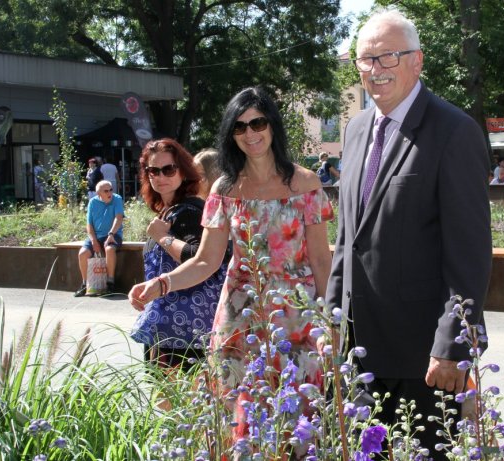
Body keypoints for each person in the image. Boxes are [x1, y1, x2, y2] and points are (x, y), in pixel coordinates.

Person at [129, 86, 334, 457]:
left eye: (257, 122)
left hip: (297, 319)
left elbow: (321, 261)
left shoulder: (306, 183)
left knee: (300, 425)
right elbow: (206, 261)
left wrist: (329, 323)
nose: (251, 133)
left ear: (272, 125)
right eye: (240, 127)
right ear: (231, 134)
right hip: (240, 321)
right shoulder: (225, 189)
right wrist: (160, 284)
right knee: (236, 421)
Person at [325, 8, 492, 458]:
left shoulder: (454, 131)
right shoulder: (357, 129)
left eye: (388, 58)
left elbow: (469, 253)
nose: (375, 70)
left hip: (426, 360)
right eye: (365, 60)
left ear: (417, 61)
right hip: (360, 352)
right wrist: (332, 323)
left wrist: (454, 343)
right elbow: (348, 240)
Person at [129, 139, 226, 370]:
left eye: (169, 169)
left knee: (174, 403)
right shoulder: (170, 211)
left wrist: (163, 238)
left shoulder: (189, 211)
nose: (160, 176)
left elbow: (199, 257)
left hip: (185, 333)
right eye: (153, 171)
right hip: (166, 327)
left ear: (183, 171)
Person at [74, 180, 124, 297]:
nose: (109, 193)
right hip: (96, 236)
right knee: (82, 254)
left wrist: (111, 234)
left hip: (114, 234)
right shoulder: (92, 202)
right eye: (106, 191)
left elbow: (119, 218)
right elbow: (89, 224)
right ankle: (85, 285)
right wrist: (93, 241)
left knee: (109, 249)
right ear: (99, 194)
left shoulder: (117, 199)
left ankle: (110, 283)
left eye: (111, 189)